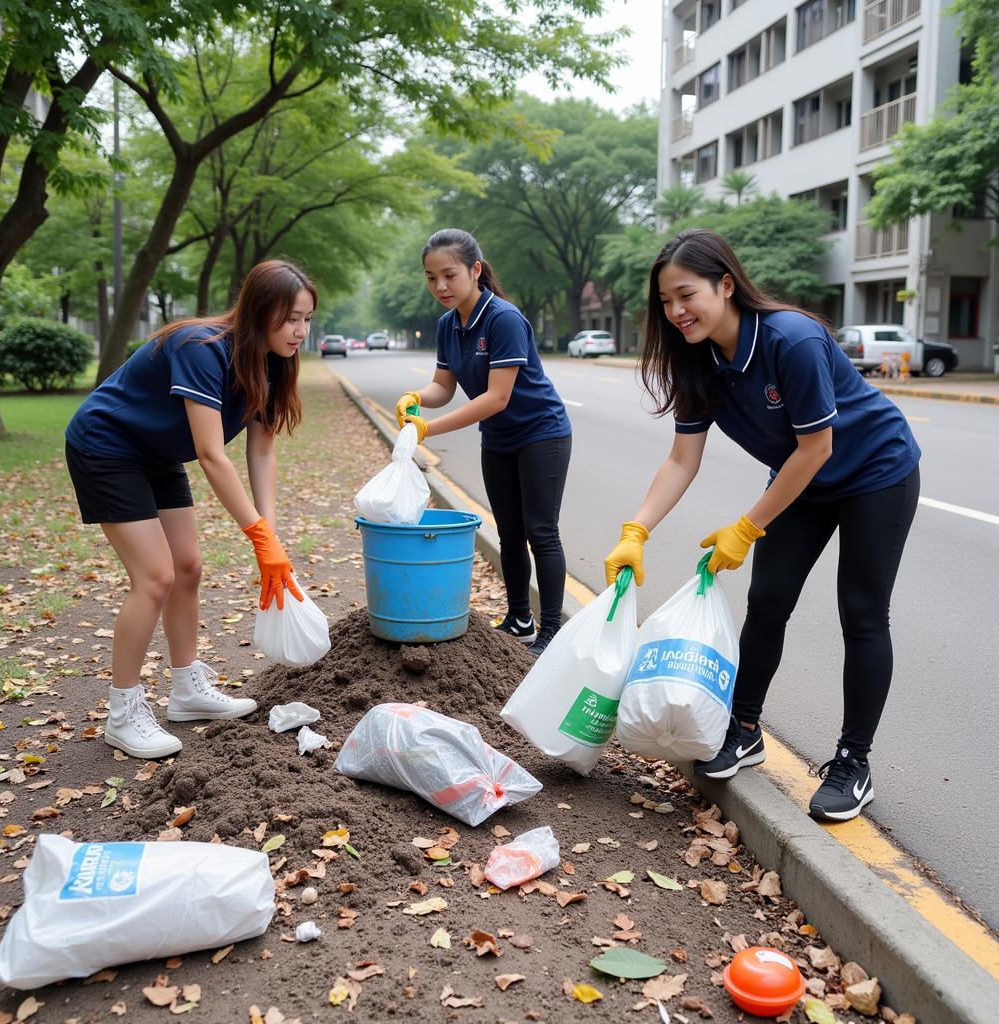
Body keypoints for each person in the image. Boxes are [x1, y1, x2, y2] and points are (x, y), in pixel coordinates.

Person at [604, 229, 920, 822]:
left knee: (861, 610)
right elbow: (682, 459)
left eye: (686, 295)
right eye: (666, 302)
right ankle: (743, 728)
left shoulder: (790, 339)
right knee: (769, 600)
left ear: (726, 285)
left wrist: (746, 527)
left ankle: (854, 762)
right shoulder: (698, 359)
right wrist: (636, 530)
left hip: (875, 471)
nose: (675, 312)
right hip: (802, 478)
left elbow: (815, 446)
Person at [65, 259, 314, 759]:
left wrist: (270, 534)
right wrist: (257, 538)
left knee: (189, 568)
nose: (300, 331)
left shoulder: (273, 361)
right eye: (291, 319)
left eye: (307, 319)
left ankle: (187, 690)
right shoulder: (201, 348)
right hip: (107, 445)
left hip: (156, 454)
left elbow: (261, 450)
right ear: (260, 311)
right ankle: (123, 712)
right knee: (156, 576)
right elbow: (211, 454)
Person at [394, 228, 572, 657]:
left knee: (541, 532)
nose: (440, 286)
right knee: (509, 533)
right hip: (498, 438)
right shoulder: (447, 324)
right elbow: (443, 386)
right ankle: (519, 619)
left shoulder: (503, 319)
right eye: (431, 277)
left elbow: (497, 397)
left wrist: (428, 430)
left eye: (449, 275)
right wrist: (417, 399)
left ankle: (550, 631)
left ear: (475, 270)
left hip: (541, 433)